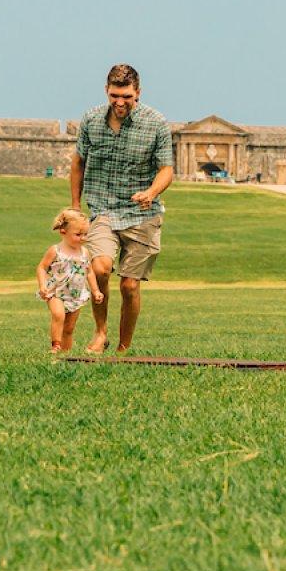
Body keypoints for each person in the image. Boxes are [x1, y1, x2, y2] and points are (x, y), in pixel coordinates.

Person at [70, 63, 174, 354]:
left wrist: (152, 192)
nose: (120, 102)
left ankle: (123, 348)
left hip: (142, 214)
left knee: (129, 286)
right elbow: (78, 163)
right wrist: (77, 206)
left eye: (127, 96)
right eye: (115, 95)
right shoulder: (91, 120)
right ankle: (100, 332)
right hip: (102, 207)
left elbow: (167, 170)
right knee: (100, 268)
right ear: (107, 91)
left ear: (138, 93)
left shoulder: (156, 123)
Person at [34, 208, 102, 353]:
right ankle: (56, 346)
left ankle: (65, 353)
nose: (83, 238)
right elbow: (41, 268)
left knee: (69, 328)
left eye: (85, 234)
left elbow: (89, 272)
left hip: (76, 294)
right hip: (56, 292)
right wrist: (42, 286)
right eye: (78, 235)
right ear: (63, 232)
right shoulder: (55, 250)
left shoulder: (85, 252)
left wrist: (95, 291)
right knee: (58, 315)